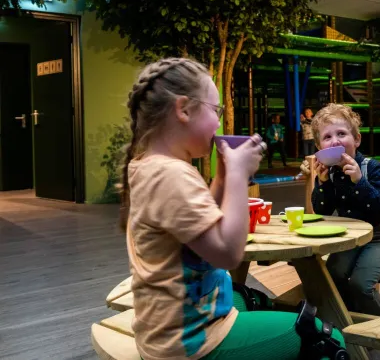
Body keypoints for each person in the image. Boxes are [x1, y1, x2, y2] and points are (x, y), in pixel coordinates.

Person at [120, 58, 347, 360]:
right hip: (189, 341)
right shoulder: (172, 175)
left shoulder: (148, 167)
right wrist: (240, 177)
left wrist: (224, 176)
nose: (218, 122)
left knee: (252, 300)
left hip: (165, 326)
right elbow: (227, 253)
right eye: (215, 111)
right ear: (184, 109)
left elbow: (199, 228)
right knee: (326, 341)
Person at [310, 103, 380, 317]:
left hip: (379, 238)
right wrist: (323, 184)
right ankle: (346, 320)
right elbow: (322, 211)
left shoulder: (372, 168)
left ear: (356, 140)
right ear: (320, 148)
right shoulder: (327, 173)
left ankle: (378, 326)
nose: (335, 140)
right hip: (348, 239)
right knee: (332, 278)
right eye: (327, 137)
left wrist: (359, 181)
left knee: (360, 284)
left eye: (341, 133)